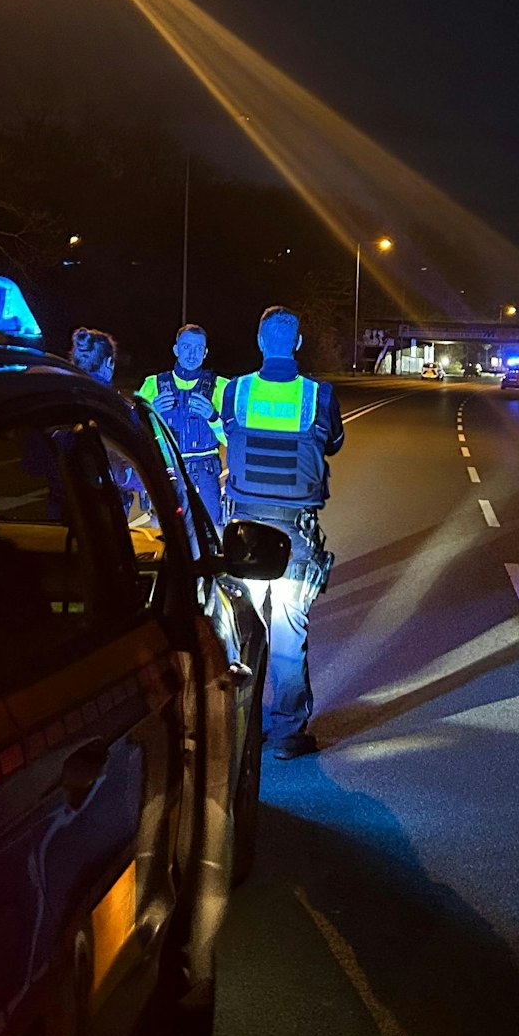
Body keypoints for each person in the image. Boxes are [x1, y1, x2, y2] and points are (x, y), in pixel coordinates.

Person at [221, 306, 343, 760]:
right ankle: (289, 733)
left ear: (258, 341)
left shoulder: (237, 391)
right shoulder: (318, 395)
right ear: (296, 344)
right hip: (293, 536)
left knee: (240, 633)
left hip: (244, 535)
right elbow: (332, 442)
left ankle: (238, 726)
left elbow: (229, 433)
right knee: (288, 635)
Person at [136, 324, 231, 528]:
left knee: (213, 535)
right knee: (167, 539)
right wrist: (152, 413)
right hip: (167, 474)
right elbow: (135, 435)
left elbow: (231, 440)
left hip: (205, 475)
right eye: (186, 347)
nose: (192, 354)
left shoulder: (221, 386)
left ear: (205, 352)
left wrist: (213, 416)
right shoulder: (153, 385)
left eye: (198, 348)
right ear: (176, 349)